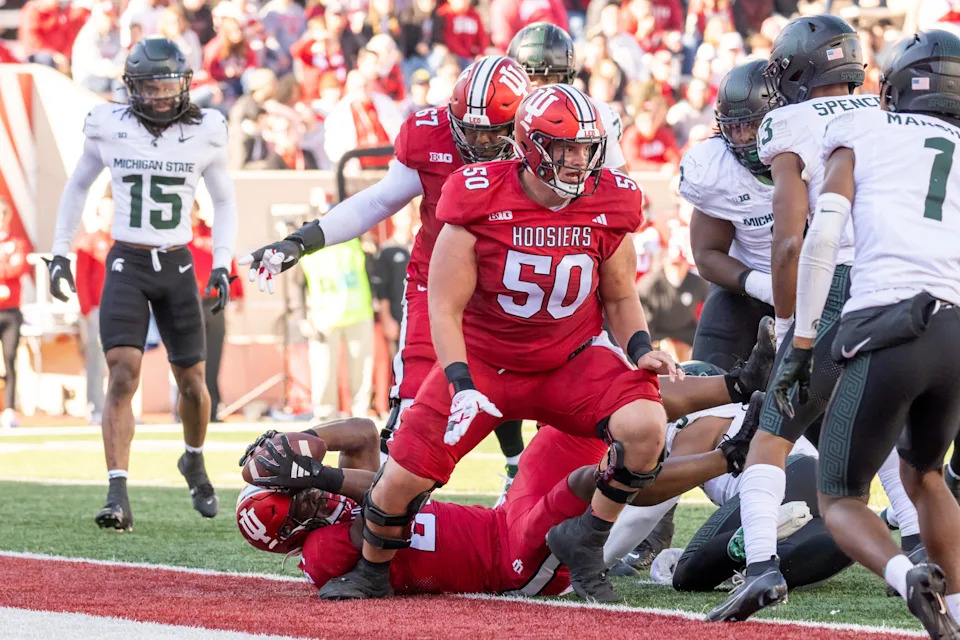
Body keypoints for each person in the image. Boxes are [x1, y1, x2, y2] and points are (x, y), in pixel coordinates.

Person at [313, 83, 679, 604]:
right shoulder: (478, 192)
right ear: (530, 145)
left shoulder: (610, 199)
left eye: (585, 148)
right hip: (485, 367)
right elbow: (444, 306)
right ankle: (372, 571)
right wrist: (459, 380)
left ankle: (588, 538)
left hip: (566, 363)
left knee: (646, 428)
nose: (579, 161)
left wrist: (641, 348)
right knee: (398, 482)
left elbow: (620, 297)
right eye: (566, 148)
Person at [238, 346, 775, 594]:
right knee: (599, 480)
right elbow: (387, 494)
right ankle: (733, 453)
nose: (312, 499)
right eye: (300, 503)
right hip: (512, 564)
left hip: (503, 518)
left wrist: (301, 442)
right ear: (289, 535)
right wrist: (323, 479)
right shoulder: (321, 554)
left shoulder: (322, 507)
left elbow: (359, 434)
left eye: (299, 491)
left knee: (593, 415)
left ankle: (740, 383)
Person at [707, 16, 918, 622]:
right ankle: (915, 542)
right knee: (876, 426)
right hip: (890, 284)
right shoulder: (884, 114)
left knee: (770, 436)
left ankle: (761, 570)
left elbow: (788, 241)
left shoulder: (788, 121)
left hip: (834, 281)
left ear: (798, 69)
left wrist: (787, 321)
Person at [239, 56, 531, 462]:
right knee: (412, 412)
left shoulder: (545, 153)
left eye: (491, 134)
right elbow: (377, 201)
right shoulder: (432, 138)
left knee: (527, 398)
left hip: (514, 290)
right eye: (470, 130)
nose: (478, 143)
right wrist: (300, 241)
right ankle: (388, 513)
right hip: (438, 284)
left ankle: (519, 471)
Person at [771, 29, 960, 637]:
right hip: (955, 328)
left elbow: (822, 238)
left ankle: (905, 576)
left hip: (887, 320)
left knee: (842, 496)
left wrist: (802, 343)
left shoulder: (866, 131)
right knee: (925, 473)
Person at [47, 37, 238, 531]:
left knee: (192, 385)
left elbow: (225, 201)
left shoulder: (206, 129)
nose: (158, 96)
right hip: (126, 261)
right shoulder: (108, 124)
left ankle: (193, 458)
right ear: (130, 87)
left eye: (167, 85)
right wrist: (61, 251)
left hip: (176, 263)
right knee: (123, 372)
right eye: (149, 86)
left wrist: (220, 262)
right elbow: (76, 187)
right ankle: (117, 492)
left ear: (184, 85)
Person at [603, 391, 852, 592]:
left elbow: (644, 514)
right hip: (825, 486)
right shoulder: (731, 412)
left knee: (686, 573)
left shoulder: (694, 423)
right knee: (780, 568)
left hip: (788, 477)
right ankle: (854, 534)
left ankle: (756, 537)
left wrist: (598, 561)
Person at [685, 60, 777, 370]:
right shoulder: (717, 169)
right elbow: (706, 253)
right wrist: (761, 285)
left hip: (821, 290)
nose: (742, 138)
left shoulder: (824, 153)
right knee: (705, 380)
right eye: (734, 127)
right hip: (746, 290)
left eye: (753, 125)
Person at [300, 237, 375, 420]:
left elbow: (371, 271)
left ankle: (361, 413)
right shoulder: (310, 243)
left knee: (361, 369)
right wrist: (301, 317)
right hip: (323, 317)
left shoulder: (356, 239)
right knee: (323, 370)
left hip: (358, 313)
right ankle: (324, 415)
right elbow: (298, 284)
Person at [187, 204, 244, 422]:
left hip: (213, 302)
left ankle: (211, 409)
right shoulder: (178, 237)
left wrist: (237, 293)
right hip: (189, 303)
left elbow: (227, 261)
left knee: (213, 356)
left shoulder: (212, 234)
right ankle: (187, 408)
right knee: (190, 357)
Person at [75, 187, 115, 425]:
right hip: (98, 309)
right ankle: (95, 407)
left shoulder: (122, 242)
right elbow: (81, 279)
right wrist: (87, 309)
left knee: (122, 359)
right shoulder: (89, 242)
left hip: (121, 308)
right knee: (96, 360)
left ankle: (119, 406)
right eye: (106, 212)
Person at [0, 197, 29, 430]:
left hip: (10, 311)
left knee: (10, 359)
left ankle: (9, 409)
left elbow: (17, 268)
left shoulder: (17, 242)